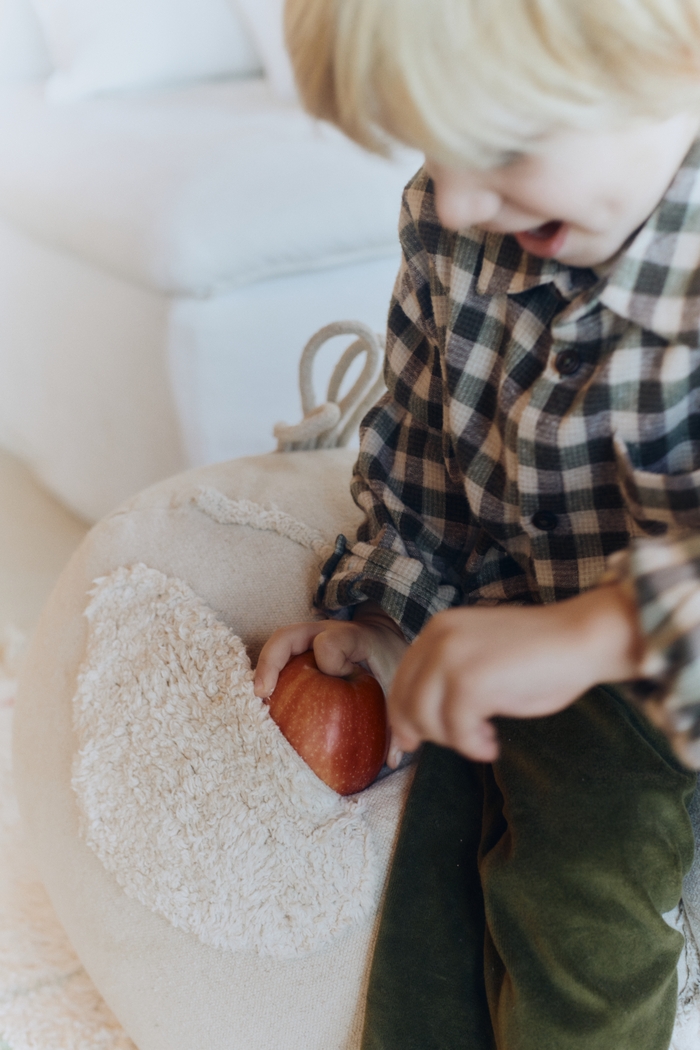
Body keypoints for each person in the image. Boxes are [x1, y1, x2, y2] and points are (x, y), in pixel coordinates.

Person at [254, 2, 700, 1047]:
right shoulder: (453, 222)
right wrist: (385, 619)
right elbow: (422, 461)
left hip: (660, 673)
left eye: (498, 146)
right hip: (518, 631)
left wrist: (591, 636)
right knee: (437, 889)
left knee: (577, 892)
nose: (455, 195)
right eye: (432, 146)